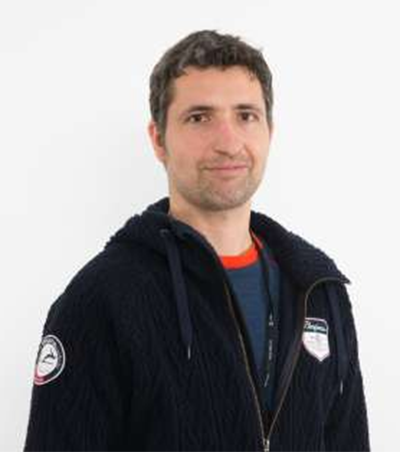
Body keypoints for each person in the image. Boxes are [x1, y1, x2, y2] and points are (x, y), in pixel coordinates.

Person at [24, 29, 370, 451]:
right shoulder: (103, 298)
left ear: (270, 130)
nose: (228, 142)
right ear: (158, 139)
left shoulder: (317, 290)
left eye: (246, 115)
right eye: (200, 117)